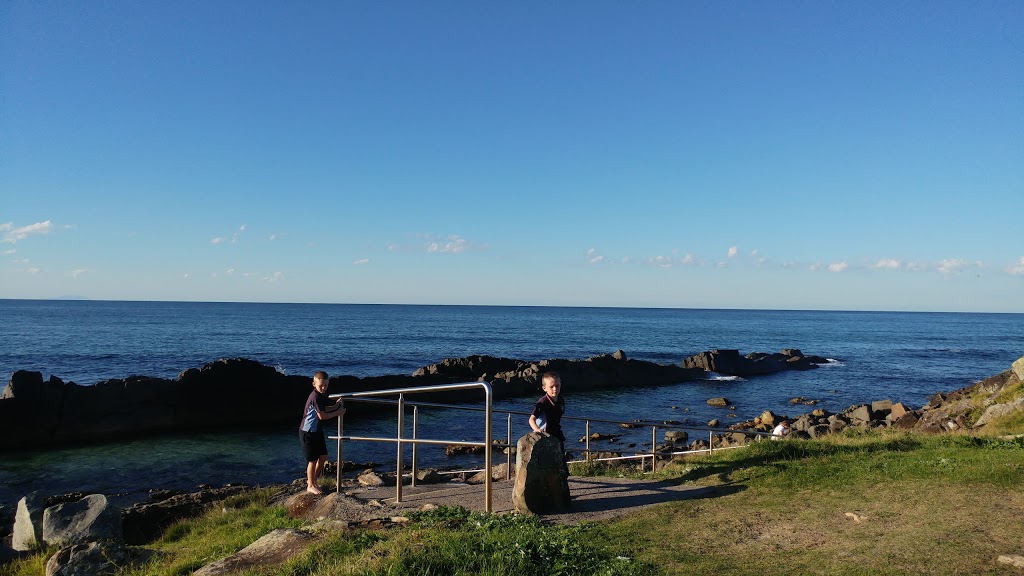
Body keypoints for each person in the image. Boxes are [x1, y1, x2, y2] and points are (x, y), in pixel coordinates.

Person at [299, 371, 345, 495]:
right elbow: (322, 416)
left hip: (317, 431)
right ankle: (310, 485)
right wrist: (338, 412)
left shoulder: (320, 396)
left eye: (326, 385)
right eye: (321, 385)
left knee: (323, 457)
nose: (324, 388)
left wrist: (336, 406)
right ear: (314, 384)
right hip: (308, 432)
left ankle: (314, 480)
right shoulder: (315, 396)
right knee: (312, 460)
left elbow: (324, 409)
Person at [530, 371, 571, 500]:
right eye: (551, 386)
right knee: (547, 467)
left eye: (557, 386)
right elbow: (531, 419)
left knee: (562, 465)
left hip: (557, 436)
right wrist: (537, 430)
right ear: (544, 388)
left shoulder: (561, 400)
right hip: (545, 437)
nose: (555, 389)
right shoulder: (542, 403)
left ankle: (562, 490)